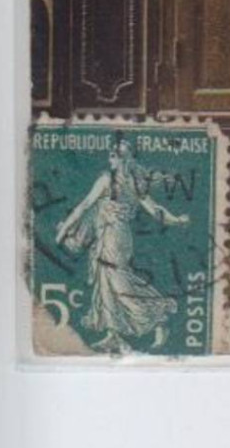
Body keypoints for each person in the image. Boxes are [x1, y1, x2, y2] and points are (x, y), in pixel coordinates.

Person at [54, 133, 190, 353]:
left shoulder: (107, 179)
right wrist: (176, 220)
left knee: (118, 283)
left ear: (121, 159)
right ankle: (113, 336)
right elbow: (155, 210)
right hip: (120, 237)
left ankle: (158, 318)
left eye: (113, 155)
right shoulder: (133, 183)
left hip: (112, 237)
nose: (110, 158)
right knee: (107, 282)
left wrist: (62, 233)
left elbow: (84, 206)